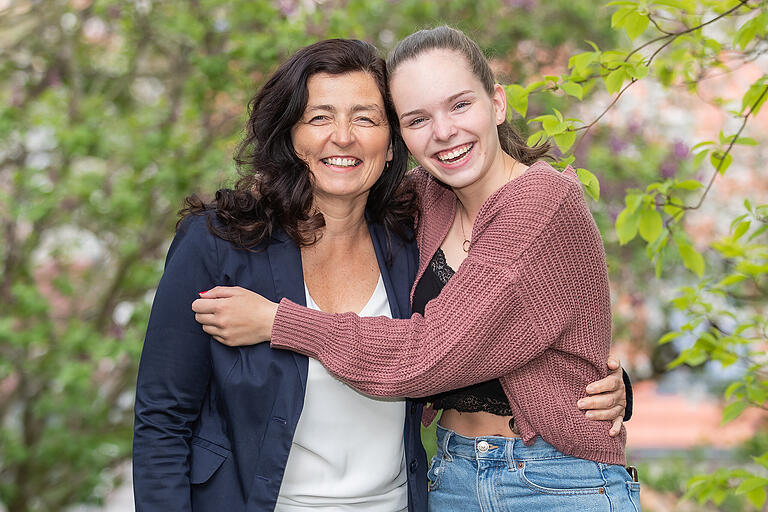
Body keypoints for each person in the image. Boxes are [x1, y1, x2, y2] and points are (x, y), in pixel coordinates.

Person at [192, 27, 640, 511]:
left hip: (555, 481)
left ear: (499, 103)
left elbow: (430, 355)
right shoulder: (424, 199)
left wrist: (279, 322)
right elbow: (337, 176)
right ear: (399, 136)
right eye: (417, 118)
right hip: (452, 476)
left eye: (460, 105)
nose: (443, 131)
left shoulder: (541, 203)